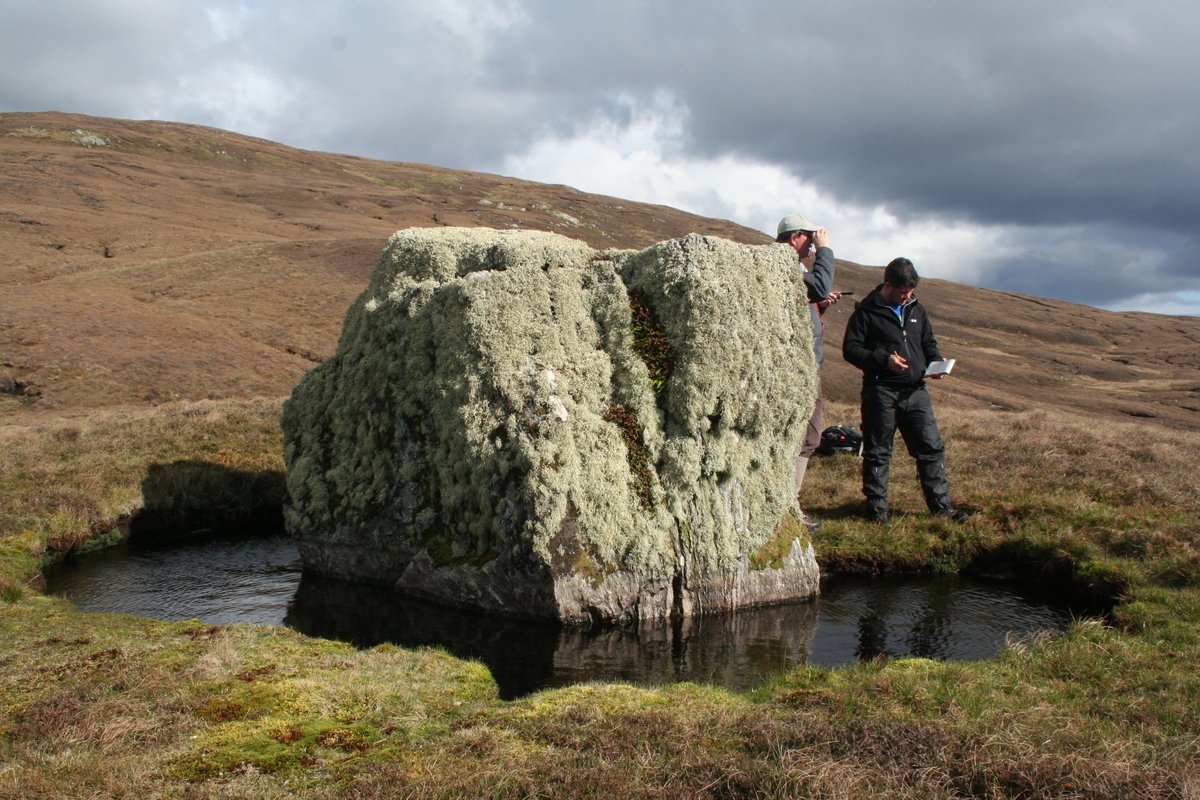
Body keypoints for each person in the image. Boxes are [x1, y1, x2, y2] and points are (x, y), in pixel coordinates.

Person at [841, 257, 969, 525]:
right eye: (903, 292)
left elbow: (928, 342)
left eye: (911, 291)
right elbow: (850, 350)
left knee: (931, 449)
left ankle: (942, 509)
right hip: (880, 391)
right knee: (878, 451)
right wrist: (883, 359)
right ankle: (877, 513)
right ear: (888, 285)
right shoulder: (866, 312)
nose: (907, 296)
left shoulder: (916, 308)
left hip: (916, 392)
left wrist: (936, 363)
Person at [776, 212, 844, 531]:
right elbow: (817, 287)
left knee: (810, 436)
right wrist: (825, 251)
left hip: (806, 366)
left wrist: (821, 305)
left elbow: (812, 295)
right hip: (797, 369)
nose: (813, 239)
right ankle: (787, 508)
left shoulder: (794, 268)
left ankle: (789, 504)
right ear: (795, 238)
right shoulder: (784, 263)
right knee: (804, 436)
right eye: (808, 235)